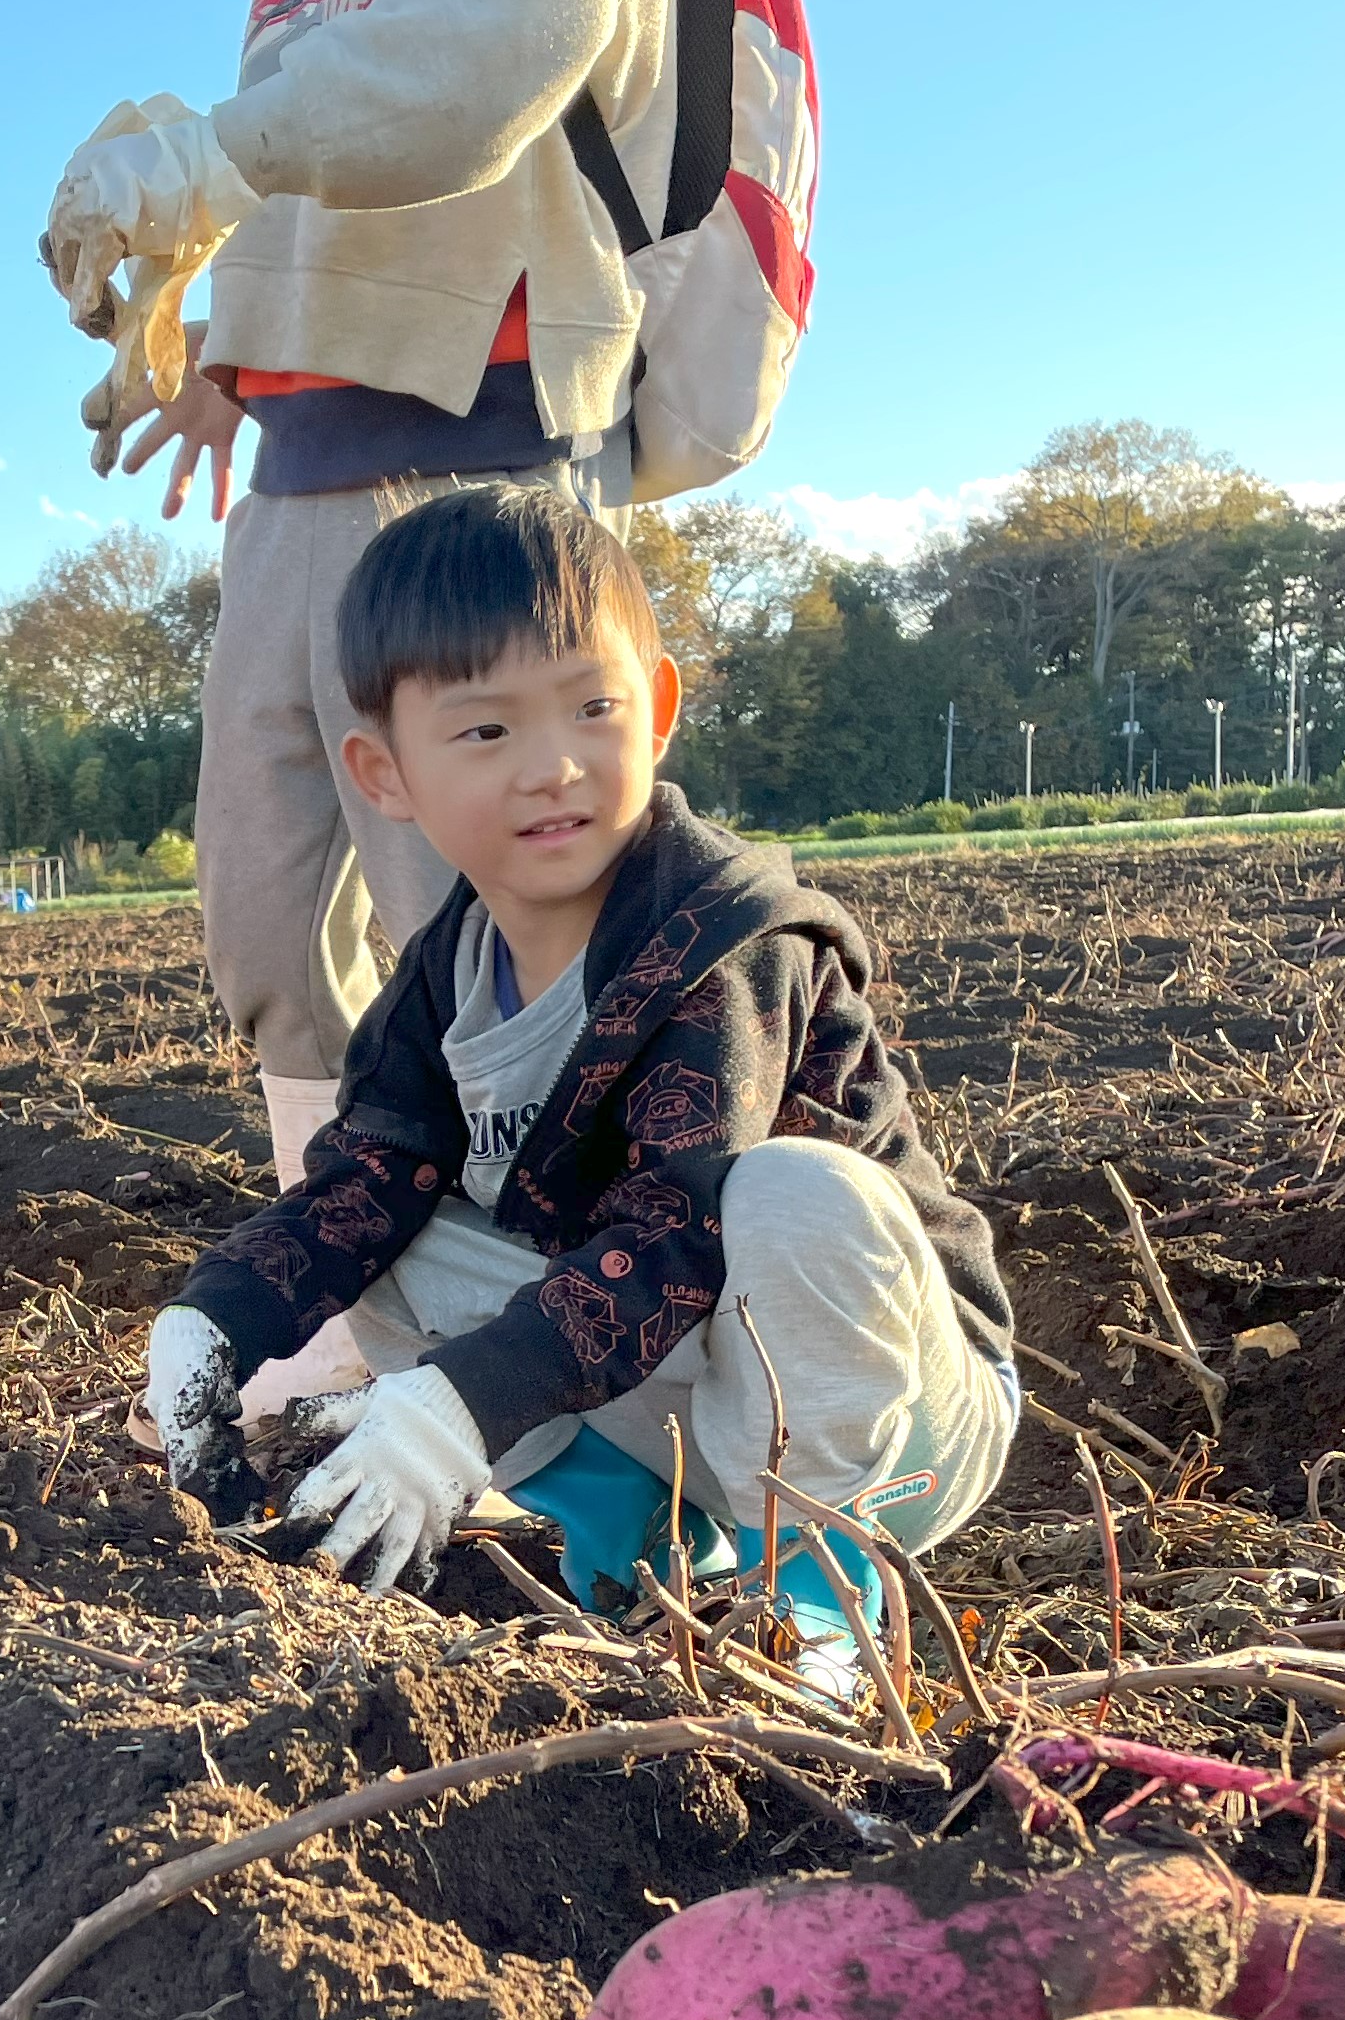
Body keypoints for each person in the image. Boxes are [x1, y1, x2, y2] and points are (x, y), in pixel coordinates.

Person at [48, 0, 820, 1407]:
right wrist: (245, 342)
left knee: (484, 939)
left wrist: (199, 162)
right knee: (265, 930)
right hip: (298, 468)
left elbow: (506, 46)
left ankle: (556, 1371)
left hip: (493, 436)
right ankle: (348, 1318)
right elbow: (328, 155)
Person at [138, 487, 1010, 1686]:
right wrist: (216, 1319)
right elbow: (364, 1183)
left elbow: (684, 1229)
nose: (552, 768)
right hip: (685, 1401)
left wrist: (455, 1406)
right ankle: (614, 1536)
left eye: (592, 709)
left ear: (653, 709)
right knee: (390, 1230)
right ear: (384, 774)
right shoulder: (444, 978)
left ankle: (813, 1584)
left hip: (890, 1416)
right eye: (485, 732)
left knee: (798, 1196)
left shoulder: (725, 942)